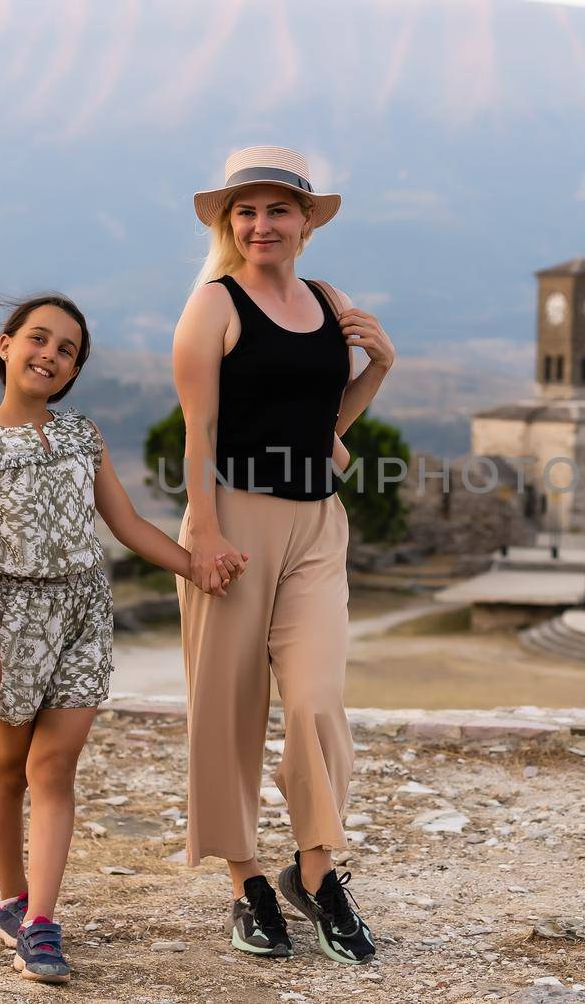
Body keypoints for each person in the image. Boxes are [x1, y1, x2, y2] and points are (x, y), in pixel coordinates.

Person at [0, 293, 241, 984]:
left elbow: (128, 522)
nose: (50, 354)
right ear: (6, 345)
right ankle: (11, 900)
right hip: (12, 619)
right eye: (39, 339)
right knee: (6, 767)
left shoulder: (84, 434)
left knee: (54, 768)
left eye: (67, 349)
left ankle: (42, 925)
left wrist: (194, 564)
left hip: (84, 613)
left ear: (73, 369)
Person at [171, 146, 395, 964]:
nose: (261, 224)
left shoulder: (328, 300)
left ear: (307, 221)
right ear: (230, 223)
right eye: (246, 211)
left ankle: (317, 869)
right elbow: (197, 431)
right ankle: (246, 884)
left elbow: (324, 427)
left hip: (316, 524)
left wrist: (380, 367)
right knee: (227, 711)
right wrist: (204, 529)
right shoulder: (212, 305)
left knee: (316, 699)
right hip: (231, 516)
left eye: (277, 210)